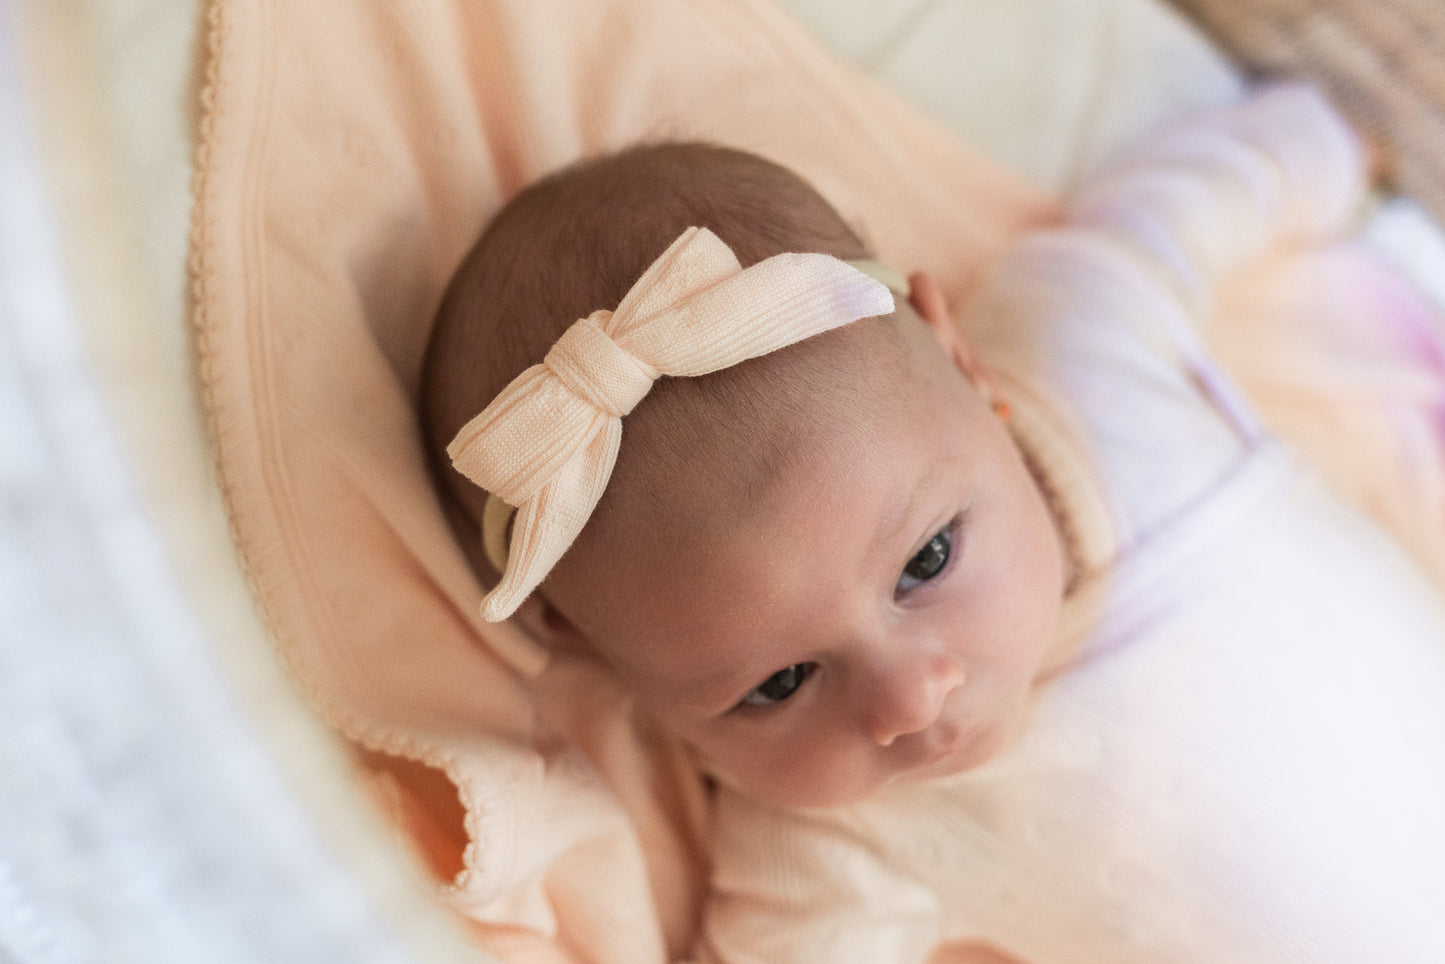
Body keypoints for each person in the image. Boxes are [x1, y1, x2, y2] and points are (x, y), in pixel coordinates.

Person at [420, 85, 1445, 962]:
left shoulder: (1082, 350)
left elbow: (1174, 215)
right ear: (598, 657)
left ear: (961, 361)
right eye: (776, 685)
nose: (908, 700)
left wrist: (1319, 140)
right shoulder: (831, 838)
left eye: (927, 560)